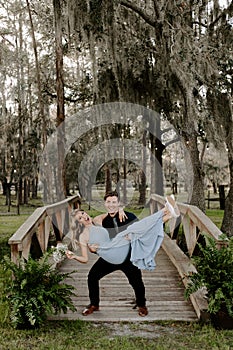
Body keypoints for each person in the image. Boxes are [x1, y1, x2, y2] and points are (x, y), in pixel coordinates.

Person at [66, 193, 180, 317]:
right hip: (109, 256)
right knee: (92, 276)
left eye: (114, 202)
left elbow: (142, 231)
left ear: (119, 203)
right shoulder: (99, 220)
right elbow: (86, 254)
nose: (111, 205)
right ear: (104, 204)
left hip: (126, 254)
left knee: (136, 280)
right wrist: (83, 253)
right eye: (108, 202)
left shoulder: (127, 216)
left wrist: (120, 210)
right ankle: (94, 304)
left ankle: (141, 304)